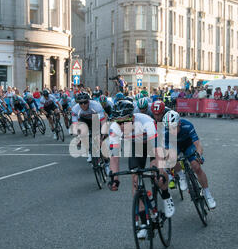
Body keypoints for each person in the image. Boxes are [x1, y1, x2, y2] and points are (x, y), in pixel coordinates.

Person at [107, 100, 175, 239]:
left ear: (132, 117)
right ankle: (144, 223)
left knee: (157, 174)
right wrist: (115, 178)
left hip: (152, 145)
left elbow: (157, 150)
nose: (121, 125)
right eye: (118, 122)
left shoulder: (146, 121)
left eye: (124, 121)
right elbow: (114, 156)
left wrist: (161, 171)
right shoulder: (114, 128)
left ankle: (166, 196)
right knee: (135, 180)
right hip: (137, 147)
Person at [163, 110, 216, 210]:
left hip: (189, 145)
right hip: (175, 145)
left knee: (196, 166)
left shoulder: (188, 125)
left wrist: (198, 155)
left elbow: (197, 144)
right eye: (169, 128)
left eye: (174, 127)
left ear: (179, 123)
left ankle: (208, 194)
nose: (172, 131)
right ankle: (181, 176)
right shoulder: (166, 132)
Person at [71, 91, 106, 163]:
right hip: (84, 120)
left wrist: (103, 132)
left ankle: (105, 159)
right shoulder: (75, 109)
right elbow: (75, 124)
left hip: (95, 119)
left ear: (89, 101)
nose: (83, 105)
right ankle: (89, 153)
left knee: (98, 138)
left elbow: (102, 120)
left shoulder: (96, 105)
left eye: (85, 102)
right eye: (81, 103)